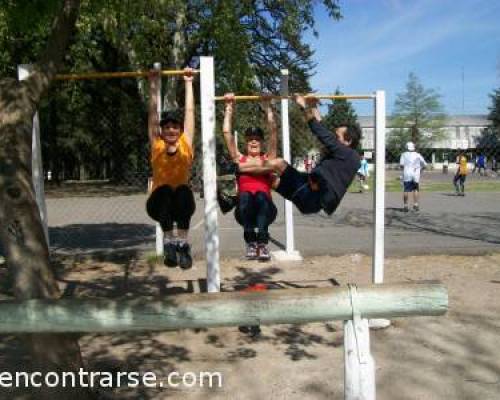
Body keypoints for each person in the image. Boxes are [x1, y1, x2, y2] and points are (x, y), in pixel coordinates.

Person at [265, 95, 361, 215]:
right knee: (269, 180)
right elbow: (323, 130)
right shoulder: (348, 157)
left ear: (348, 141)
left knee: (278, 163)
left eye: (337, 137)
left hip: (311, 196)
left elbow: (319, 131)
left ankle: (243, 169)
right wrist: (313, 106)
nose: (334, 139)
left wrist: (303, 105)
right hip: (309, 195)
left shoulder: (344, 152)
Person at [145, 67, 196, 269]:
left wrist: (189, 82)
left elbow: (190, 113)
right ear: (162, 131)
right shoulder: (157, 145)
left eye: (175, 126)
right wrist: (153, 84)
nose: (171, 130)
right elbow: (152, 115)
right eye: (167, 127)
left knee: (182, 189)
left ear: (180, 130)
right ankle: (168, 244)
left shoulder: (186, 143)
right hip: (158, 205)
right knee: (166, 190)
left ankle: (182, 245)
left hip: (182, 205)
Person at [222, 93, 278, 261]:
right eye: (250, 140)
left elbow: (273, 132)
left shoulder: (267, 158)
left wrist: (268, 107)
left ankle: (262, 243)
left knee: (260, 195)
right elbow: (226, 132)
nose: (254, 142)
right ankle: (251, 243)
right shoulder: (240, 159)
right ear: (246, 144)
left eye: (257, 140)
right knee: (246, 195)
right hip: (245, 211)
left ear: (261, 143)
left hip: (266, 210)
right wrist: (229, 107)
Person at [399, 142, 427, 212]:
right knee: (415, 189)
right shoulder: (418, 155)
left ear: (407, 147)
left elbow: (401, 165)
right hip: (415, 174)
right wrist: (420, 170)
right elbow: (425, 164)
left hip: (407, 173)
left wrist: (404, 170)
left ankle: (405, 206)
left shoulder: (404, 154)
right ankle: (416, 204)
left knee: (406, 190)